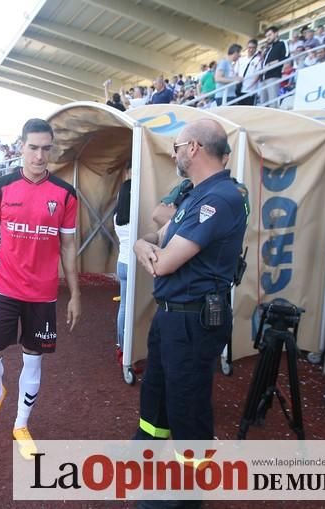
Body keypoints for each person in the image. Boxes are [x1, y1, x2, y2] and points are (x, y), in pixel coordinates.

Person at [131, 121, 248, 507]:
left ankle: (185, 494)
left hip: (192, 320)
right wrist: (140, 246)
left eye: (178, 145)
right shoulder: (197, 195)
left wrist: (148, 253)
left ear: (194, 148)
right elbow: (154, 240)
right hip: (172, 317)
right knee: (157, 396)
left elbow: (163, 261)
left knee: (188, 406)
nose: (174, 152)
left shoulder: (221, 198)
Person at [0, 118, 81, 461]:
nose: (39, 156)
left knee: (34, 362)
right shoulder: (0, 188)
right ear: (21, 147)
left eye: (46, 148)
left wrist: (75, 293)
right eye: (33, 148)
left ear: (53, 149)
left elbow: (69, 247)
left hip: (43, 294)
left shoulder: (65, 194)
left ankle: (21, 424)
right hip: (4, 289)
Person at [113, 173, 131, 366]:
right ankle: (126, 346)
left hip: (121, 263)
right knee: (129, 307)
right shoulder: (135, 219)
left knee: (124, 307)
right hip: (132, 265)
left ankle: (122, 344)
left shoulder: (118, 217)